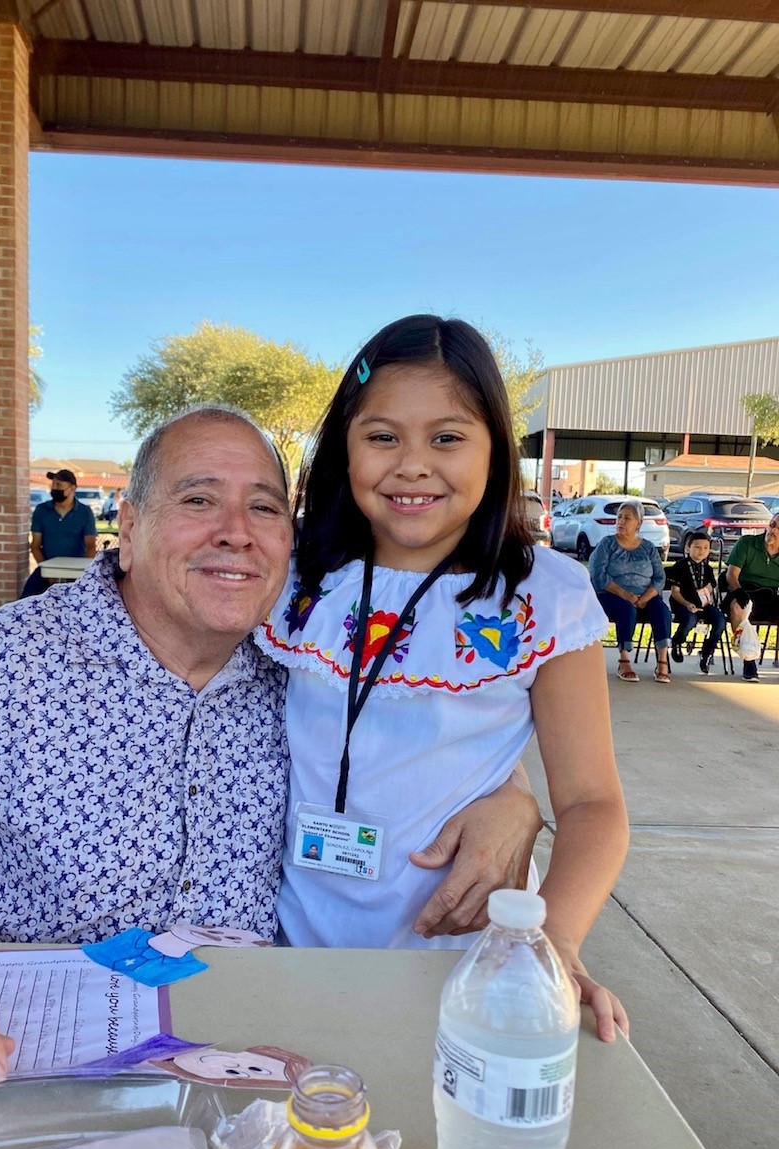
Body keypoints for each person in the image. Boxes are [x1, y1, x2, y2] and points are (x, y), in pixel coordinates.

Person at [0, 405, 539, 1113]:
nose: (236, 534)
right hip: (28, 1067)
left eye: (264, 509)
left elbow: (445, 732)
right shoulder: (6, 661)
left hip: (263, 1061)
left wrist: (512, 796)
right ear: (129, 527)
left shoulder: (312, 664)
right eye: (198, 499)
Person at [256, 315, 628, 1042]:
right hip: (286, 951)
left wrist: (558, 943)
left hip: (459, 968)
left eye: (448, 437)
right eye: (382, 436)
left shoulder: (541, 597)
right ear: (345, 446)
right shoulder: (295, 577)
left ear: (496, 447)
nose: (413, 465)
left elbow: (592, 803)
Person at [589, 500, 673, 683]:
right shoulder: (607, 544)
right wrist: (625, 594)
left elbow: (660, 578)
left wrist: (646, 596)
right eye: (619, 517)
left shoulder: (648, 548)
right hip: (611, 595)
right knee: (626, 608)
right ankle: (624, 660)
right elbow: (598, 576)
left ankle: (662, 661)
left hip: (645, 596)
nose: (621, 521)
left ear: (639, 524)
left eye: (627, 518)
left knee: (661, 609)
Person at [21, 467, 97, 597]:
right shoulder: (41, 510)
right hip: (46, 569)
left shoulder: (85, 512)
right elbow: (35, 546)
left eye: (59, 485)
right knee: (26, 599)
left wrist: (81, 574)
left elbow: (91, 547)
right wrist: (49, 572)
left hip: (76, 572)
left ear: (72, 488)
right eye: (53, 485)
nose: (54, 488)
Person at [723, 512, 779, 682]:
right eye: (772, 524)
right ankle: (749, 662)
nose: (773, 530)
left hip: (768, 596)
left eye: (778, 528)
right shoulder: (747, 543)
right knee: (737, 607)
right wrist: (738, 592)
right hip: (742, 591)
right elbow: (731, 575)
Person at [665, 531, 726, 675]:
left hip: (703, 604)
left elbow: (711, 589)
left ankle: (706, 652)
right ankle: (677, 642)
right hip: (682, 604)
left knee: (720, 621)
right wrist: (687, 604)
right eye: (697, 547)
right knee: (691, 619)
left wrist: (708, 594)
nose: (701, 551)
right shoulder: (679, 566)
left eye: (706, 548)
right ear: (688, 548)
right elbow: (675, 592)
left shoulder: (708, 569)